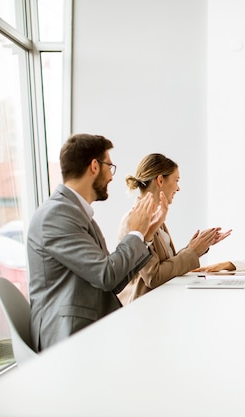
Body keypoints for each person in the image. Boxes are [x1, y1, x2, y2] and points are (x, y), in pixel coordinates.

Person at [27, 134, 165, 351]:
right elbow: (106, 275)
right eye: (109, 166)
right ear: (94, 166)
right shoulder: (57, 215)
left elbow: (114, 278)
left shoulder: (77, 214)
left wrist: (146, 235)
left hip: (89, 324)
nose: (111, 176)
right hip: (69, 334)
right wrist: (136, 233)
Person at [117, 153, 231, 304]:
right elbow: (154, 277)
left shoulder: (156, 218)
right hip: (143, 308)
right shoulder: (134, 221)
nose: (178, 188)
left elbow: (167, 266)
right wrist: (192, 252)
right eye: (176, 180)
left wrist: (197, 247)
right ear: (160, 180)